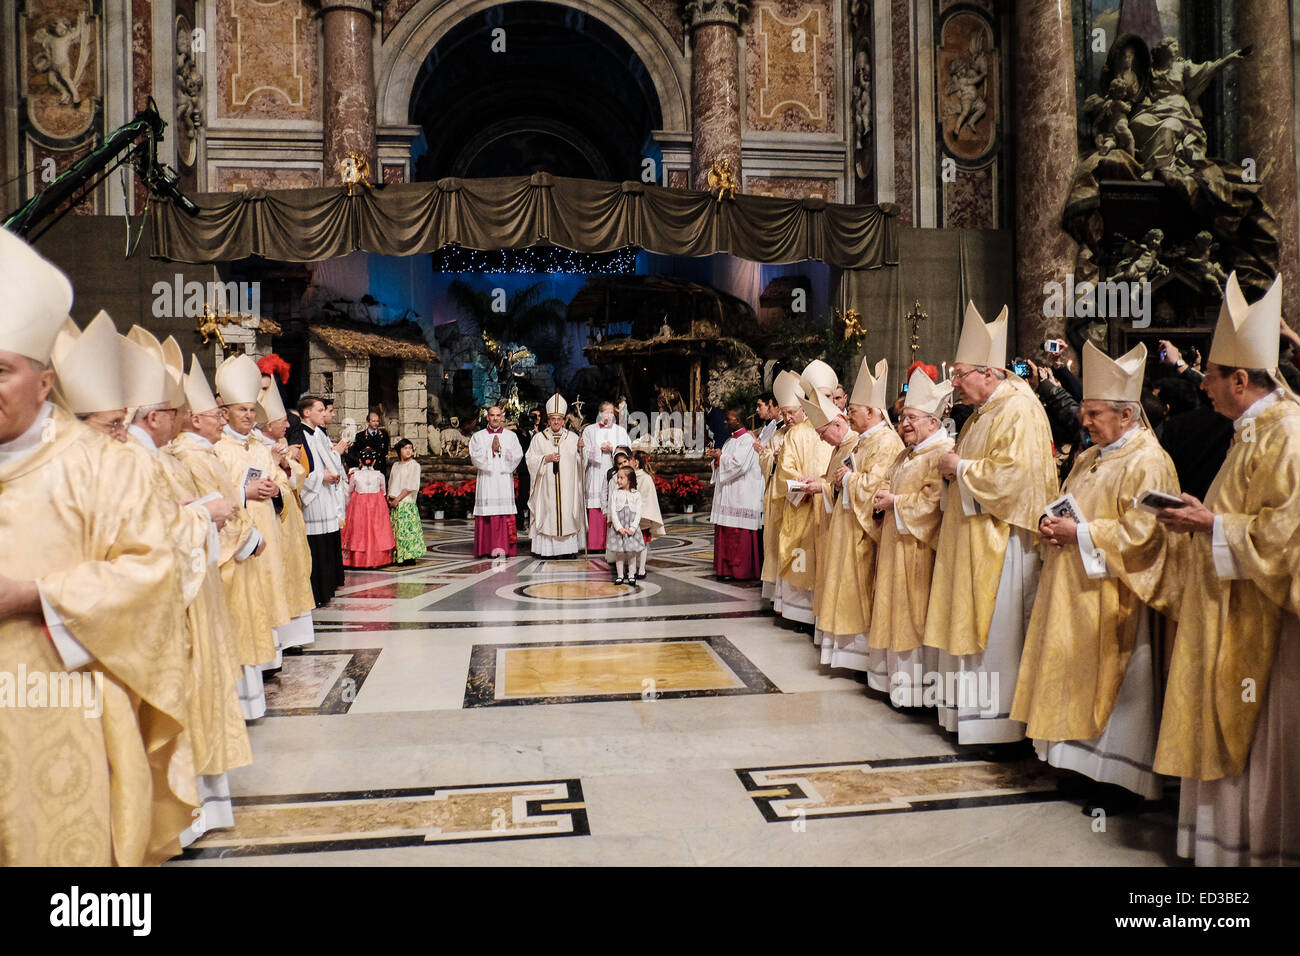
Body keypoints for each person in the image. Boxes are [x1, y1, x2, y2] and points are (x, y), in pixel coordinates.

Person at [0, 230, 193, 865]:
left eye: (0, 369)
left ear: (44, 381)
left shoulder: (106, 468)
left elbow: (152, 579)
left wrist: (33, 595)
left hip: (63, 705)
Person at [1153, 273, 1300, 866]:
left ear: (1242, 379)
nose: (1202, 383)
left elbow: (1289, 536)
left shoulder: (1287, 435)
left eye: (1211, 374)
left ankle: (1259, 848)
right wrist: (1205, 517)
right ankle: (1225, 844)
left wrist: (1213, 526)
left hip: (1268, 626)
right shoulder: (1250, 432)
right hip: (1232, 606)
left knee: (1262, 733)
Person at [1013, 342, 1181, 810]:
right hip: (1072, 589)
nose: (1083, 422)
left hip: (1116, 594)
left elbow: (1146, 534)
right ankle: (1077, 766)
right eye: (1083, 412)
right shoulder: (1092, 457)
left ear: (1126, 415)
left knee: (1117, 686)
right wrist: (1052, 524)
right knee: (1070, 674)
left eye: (1093, 413)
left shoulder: (1149, 460)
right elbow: (1068, 501)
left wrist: (1081, 532)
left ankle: (1118, 779)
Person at [116, 326, 251, 847]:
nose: (188, 418)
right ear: (155, 416)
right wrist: (205, 514)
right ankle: (184, 812)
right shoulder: (136, 461)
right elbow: (145, 531)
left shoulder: (159, 458)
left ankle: (203, 804)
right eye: (176, 411)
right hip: (172, 606)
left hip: (195, 598)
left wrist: (201, 514)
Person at [923, 302, 1058, 746]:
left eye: (960, 374)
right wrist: (955, 471)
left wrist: (958, 468)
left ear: (989, 372)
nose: (955, 383)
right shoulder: (985, 412)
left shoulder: (1018, 409)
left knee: (995, 634)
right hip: (971, 536)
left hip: (1001, 545)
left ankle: (996, 726)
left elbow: (1014, 478)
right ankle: (967, 716)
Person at [171, 356, 276, 720]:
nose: (221, 418)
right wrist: (248, 538)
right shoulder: (194, 456)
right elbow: (219, 507)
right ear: (194, 419)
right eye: (217, 414)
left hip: (240, 545)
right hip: (226, 555)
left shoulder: (203, 452)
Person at [868, 367, 955, 705]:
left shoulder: (941, 453)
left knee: (914, 618)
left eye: (912, 418)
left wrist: (896, 503)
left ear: (933, 423)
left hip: (919, 552)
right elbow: (889, 482)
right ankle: (894, 684)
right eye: (902, 417)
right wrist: (881, 499)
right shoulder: (907, 453)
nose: (903, 423)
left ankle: (919, 693)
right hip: (895, 545)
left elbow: (935, 504)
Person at [813, 358, 904, 671]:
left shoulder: (887, 441)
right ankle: (843, 652)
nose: (848, 413)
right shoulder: (865, 442)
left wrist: (847, 479)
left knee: (857, 588)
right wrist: (841, 481)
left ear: (873, 412)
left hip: (861, 531)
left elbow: (876, 484)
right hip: (847, 524)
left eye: (853, 410)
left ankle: (858, 654)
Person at [772, 362, 839, 629]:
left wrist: (824, 487)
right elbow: (785, 471)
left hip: (831, 507)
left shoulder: (841, 429)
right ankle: (800, 614)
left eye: (829, 396)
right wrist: (803, 487)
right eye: (818, 397)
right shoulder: (797, 434)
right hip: (804, 507)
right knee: (802, 560)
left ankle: (821, 616)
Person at [256, 381, 316, 653]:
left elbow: (297, 475)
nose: (286, 426)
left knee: (295, 571)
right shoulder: (258, 446)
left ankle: (295, 636)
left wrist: (285, 465)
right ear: (267, 425)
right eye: (282, 421)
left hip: (291, 522)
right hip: (274, 523)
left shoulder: (279, 444)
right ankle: (283, 638)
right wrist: (280, 466)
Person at [296, 394, 345, 606]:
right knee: (316, 544)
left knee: (327, 541)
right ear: (307, 412)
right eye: (320, 410)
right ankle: (317, 591)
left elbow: (327, 461)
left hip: (324, 493)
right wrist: (320, 477)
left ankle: (327, 588)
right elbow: (299, 470)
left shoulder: (317, 434)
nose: (324, 413)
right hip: (313, 496)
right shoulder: (299, 435)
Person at [708, 407, 764, 581]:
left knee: (737, 534)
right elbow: (726, 461)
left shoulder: (746, 440)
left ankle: (740, 570)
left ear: (738, 421)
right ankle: (725, 569)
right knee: (727, 532)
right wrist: (716, 458)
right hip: (729, 493)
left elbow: (739, 465)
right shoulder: (730, 440)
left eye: (728, 419)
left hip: (741, 494)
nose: (725, 421)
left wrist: (720, 457)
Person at [526, 394, 585, 557]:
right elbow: (529, 459)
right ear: (548, 420)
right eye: (553, 419)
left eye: (559, 419)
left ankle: (568, 550)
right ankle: (546, 550)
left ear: (564, 421)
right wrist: (545, 458)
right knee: (548, 516)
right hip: (546, 488)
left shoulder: (573, 438)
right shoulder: (539, 439)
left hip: (567, 487)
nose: (556, 422)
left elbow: (582, 463)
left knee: (567, 515)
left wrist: (581, 450)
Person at [760, 371, 801, 603]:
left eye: (791, 413)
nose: (787, 418)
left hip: (797, 502)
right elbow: (763, 458)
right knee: (777, 548)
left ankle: (794, 601)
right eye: (784, 414)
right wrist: (773, 459)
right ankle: (779, 599)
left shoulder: (810, 435)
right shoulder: (779, 434)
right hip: (777, 501)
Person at [469, 404, 523, 557]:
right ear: (487, 417)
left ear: (502, 417)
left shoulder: (511, 436)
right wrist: (490, 450)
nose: (495, 418)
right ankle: (486, 549)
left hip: (503, 479)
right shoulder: (478, 436)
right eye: (492, 415)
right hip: (487, 480)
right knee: (487, 512)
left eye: (498, 415)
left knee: (503, 512)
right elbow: (475, 457)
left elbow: (518, 456)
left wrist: (501, 450)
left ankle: (505, 548)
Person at [580, 401, 631, 551]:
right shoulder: (589, 430)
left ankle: (613, 542)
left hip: (615, 474)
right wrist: (599, 450)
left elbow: (628, 451)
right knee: (596, 506)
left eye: (611, 412)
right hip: (595, 473)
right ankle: (596, 543)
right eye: (605, 412)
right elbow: (584, 452)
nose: (608, 415)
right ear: (600, 414)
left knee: (615, 506)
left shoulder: (620, 431)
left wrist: (613, 449)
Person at [342, 447, 395, 567]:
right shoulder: (379, 475)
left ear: (360, 461)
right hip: (377, 506)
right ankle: (378, 559)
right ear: (374, 461)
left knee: (359, 531)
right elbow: (384, 492)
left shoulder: (355, 475)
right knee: (376, 530)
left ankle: (358, 559)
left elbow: (350, 491)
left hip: (359, 506)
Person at [605, 466, 645, 585]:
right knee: (619, 553)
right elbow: (613, 511)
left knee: (631, 552)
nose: (618, 480)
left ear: (629, 479)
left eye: (622, 478)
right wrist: (619, 527)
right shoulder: (615, 493)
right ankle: (620, 575)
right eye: (618, 477)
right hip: (620, 529)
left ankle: (631, 575)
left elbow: (638, 512)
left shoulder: (636, 494)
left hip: (631, 529)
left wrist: (632, 528)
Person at [388, 438, 424, 564]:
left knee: (407, 531)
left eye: (410, 448)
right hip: (394, 502)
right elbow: (391, 482)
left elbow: (410, 485)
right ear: (399, 451)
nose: (408, 451)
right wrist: (389, 498)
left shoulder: (414, 465)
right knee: (396, 531)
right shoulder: (395, 465)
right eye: (405, 448)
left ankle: (408, 556)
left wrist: (398, 499)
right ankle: (397, 555)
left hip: (406, 502)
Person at [631, 450, 665, 578]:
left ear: (636, 463)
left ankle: (642, 569)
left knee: (643, 543)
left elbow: (648, 498)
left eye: (630, 460)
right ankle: (632, 569)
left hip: (643, 516)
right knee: (632, 545)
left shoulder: (645, 478)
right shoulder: (629, 476)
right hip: (631, 516)